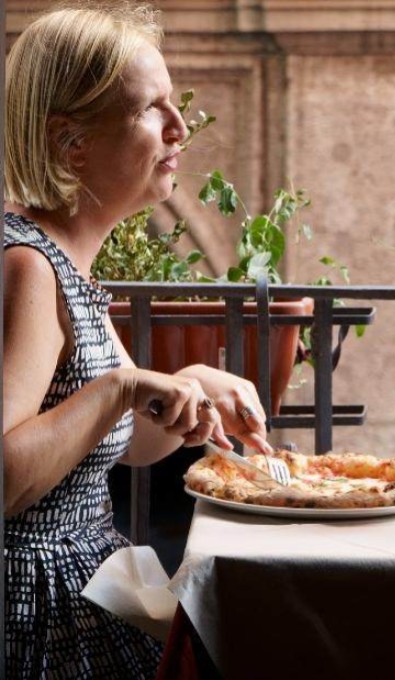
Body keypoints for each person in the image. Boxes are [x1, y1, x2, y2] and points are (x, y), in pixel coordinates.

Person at [3, 4, 275, 677]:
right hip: (38, 621)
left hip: (91, 588)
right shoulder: (27, 268)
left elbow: (128, 440)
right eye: (153, 110)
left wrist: (190, 384)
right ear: (72, 144)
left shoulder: (62, 261)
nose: (181, 127)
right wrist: (123, 386)